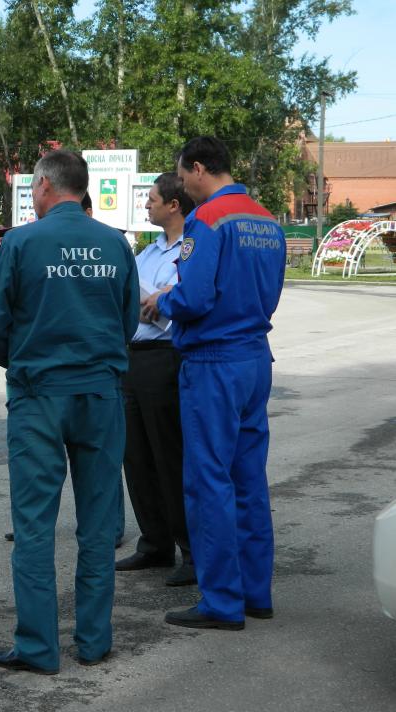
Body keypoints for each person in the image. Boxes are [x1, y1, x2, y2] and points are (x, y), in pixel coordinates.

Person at [0, 150, 138, 674]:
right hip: (99, 396)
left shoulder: (22, 242)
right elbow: (128, 321)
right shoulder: (116, 244)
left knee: (34, 525)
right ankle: (93, 641)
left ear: (44, 187)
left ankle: (39, 647)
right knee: (97, 526)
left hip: (39, 397)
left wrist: (26, 362)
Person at [142, 136, 285, 630]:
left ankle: (221, 602)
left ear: (199, 168)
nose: (181, 185)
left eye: (182, 176)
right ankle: (254, 592)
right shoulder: (267, 219)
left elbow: (197, 295)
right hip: (254, 359)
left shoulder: (207, 220)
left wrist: (164, 302)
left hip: (213, 362)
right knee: (249, 481)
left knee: (208, 481)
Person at [115, 173, 196, 587]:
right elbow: (136, 298)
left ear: (173, 205)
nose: (146, 206)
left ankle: (189, 549)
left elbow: (175, 301)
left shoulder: (189, 249)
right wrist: (151, 299)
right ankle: (154, 543)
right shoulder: (147, 254)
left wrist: (160, 300)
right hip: (133, 357)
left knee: (169, 456)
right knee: (137, 457)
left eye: (151, 199)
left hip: (166, 358)